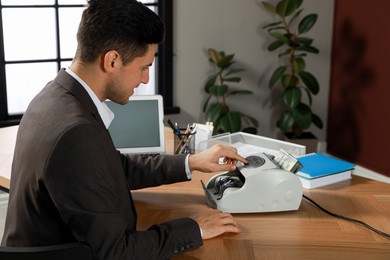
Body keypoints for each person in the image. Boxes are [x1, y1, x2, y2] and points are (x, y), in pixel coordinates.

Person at [1, 1, 248, 259]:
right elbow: (116, 252)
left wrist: (193, 161)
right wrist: (194, 228)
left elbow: (112, 169)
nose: (145, 80)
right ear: (112, 60)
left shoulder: (53, 96)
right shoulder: (76, 131)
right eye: (144, 67)